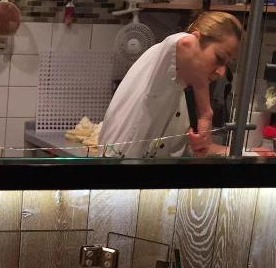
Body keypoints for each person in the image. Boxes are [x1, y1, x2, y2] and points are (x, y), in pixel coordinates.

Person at [98, 11, 242, 158]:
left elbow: (179, 148)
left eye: (226, 63)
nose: (221, 72)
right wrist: (206, 115)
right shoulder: (166, 55)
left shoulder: (187, 91)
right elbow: (188, 45)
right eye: (219, 58)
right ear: (197, 38)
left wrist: (237, 152)